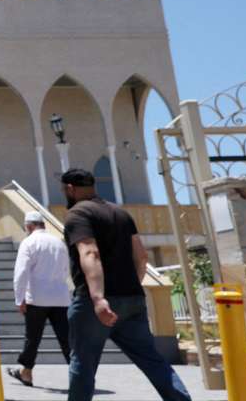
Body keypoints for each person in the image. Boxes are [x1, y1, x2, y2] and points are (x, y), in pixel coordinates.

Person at [61, 168, 192, 401]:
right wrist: (131, 287)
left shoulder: (77, 214)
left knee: (83, 363)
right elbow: (141, 256)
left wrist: (98, 298)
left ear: (70, 189)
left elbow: (90, 252)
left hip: (95, 304)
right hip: (132, 299)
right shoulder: (120, 213)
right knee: (152, 360)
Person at [8, 210, 71, 387]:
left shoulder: (29, 242)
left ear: (28, 226)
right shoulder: (59, 242)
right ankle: (80, 373)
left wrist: (19, 298)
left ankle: (26, 372)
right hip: (60, 298)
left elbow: (21, 273)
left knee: (33, 338)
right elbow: (66, 269)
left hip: (36, 298)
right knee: (66, 339)